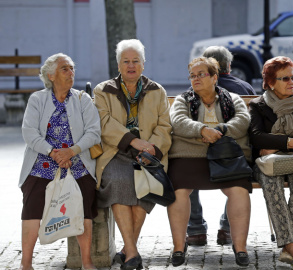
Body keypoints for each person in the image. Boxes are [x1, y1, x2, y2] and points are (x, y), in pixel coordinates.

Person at [94, 39, 172, 270]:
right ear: (118, 65)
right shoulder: (103, 90)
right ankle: (132, 252)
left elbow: (165, 126)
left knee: (145, 188)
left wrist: (151, 148)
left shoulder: (157, 91)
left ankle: (129, 252)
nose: (131, 65)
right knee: (118, 181)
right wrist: (133, 141)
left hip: (149, 154)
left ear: (143, 65)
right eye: (126, 61)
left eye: (135, 61)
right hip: (115, 152)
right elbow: (103, 123)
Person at [167, 56, 251, 267]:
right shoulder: (183, 99)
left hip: (225, 157)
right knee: (179, 191)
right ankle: (179, 247)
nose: (195, 79)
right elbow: (178, 121)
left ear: (214, 77)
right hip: (190, 156)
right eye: (192, 76)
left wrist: (220, 130)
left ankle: (240, 248)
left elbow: (242, 120)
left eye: (201, 74)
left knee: (239, 191)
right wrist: (202, 130)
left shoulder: (231, 98)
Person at [19, 53, 101, 270]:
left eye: (72, 68)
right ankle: (26, 263)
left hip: (77, 161)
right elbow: (29, 133)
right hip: (43, 161)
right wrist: (54, 153)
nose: (71, 72)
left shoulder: (83, 99)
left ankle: (87, 262)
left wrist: (71, 152)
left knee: (84, 206)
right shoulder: (38, 99)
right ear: (51, 75)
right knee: (32, 208)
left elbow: (94, 132)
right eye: (65, 68)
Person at [249, 56, 293, 265]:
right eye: (284, 78)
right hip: (268, 163)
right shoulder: (258, 105)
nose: (291, 82)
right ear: (270, 82)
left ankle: (289, 247)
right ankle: (292, 246)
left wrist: (277, 145)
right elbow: (256, 136)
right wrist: (290, 142)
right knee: (271, 184)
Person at [186, 45, 255, 246]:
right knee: (237, 174)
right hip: (235, 154)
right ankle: (227, 228)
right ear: (229, 66)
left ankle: (196, 229)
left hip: (201, 152)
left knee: (185, 174)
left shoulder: (194, 89)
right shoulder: (245, 88)